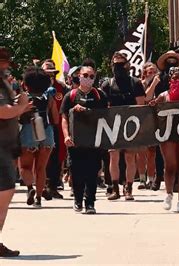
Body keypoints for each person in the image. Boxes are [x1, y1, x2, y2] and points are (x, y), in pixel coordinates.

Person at [61, 66, 108, 214]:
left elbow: (106, 116)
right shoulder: (71, 95)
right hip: (75, 141)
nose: (88, 78)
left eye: (91, 76)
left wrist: (88, 112)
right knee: (76, 171)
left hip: (94, 141)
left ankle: (90, 203)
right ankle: (78, 200)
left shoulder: (100, 95)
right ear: (78, 76)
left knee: (93, 172)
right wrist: (66, 136)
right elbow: (63, 118)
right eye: (85, 75)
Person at [101, 52, 146, 200]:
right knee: (113, 156)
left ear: (127, 65)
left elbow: (141, 105)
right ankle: (115, 188)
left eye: (121, 64)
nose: (118, 68)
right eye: (115, 65)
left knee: (130, 157)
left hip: (131, 126)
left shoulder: (136, 83)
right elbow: (103, 107)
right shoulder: (107, 84)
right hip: (113, 125)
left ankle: (129, 187)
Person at [0, 47, 32, 257]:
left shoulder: (3, 83)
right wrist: (21, 107)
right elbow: (2, 111)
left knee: (5, 191)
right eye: (3, 61)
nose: (6, 64)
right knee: (5, 191)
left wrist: (19, 104)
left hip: (5, 146)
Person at [150, 66, 179, 213]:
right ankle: (168, 194)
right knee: (170, 165)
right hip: (167, 133)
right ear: (169, 80)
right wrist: (153, 104)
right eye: (174, 78)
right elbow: (153, 110)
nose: (177, 81)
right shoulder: (163, 96)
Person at [18, 66, 59, 208]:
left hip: (28, 131)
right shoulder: (49, 97)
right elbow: (55, 118)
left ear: (26, 83)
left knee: (25, 166)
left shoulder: (23, 97)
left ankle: (30, 188)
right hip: (45, 131)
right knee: (41, 168)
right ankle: (39, 199)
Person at [154, 51, 179, 192]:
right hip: (164, 122)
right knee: (162, 154)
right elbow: (155, 99)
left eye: (174, 61)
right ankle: (159, 177)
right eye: (169, 61)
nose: (171, 63)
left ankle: (178, 180)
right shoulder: (159, 81)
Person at [42, 61, 66, 198]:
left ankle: (53, 186)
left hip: (56, 126)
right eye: (46, 72)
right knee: (42, 156)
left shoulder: (60, 87)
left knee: (57, 156)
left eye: (52, 72)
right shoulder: (36, 86)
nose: (49, 75)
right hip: (40, 125)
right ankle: (42, 185)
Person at [137, 62, 159, 190]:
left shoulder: (159, 83)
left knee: (152, 152)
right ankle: (141, 178)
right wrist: (151, 83)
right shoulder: (140, 84)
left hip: (155, 120)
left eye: (154, 71)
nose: (152, 74)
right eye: (150, 72)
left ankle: (151, 178)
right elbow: (146, 98)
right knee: (141, 151)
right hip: (142, 120)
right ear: (145, 73)